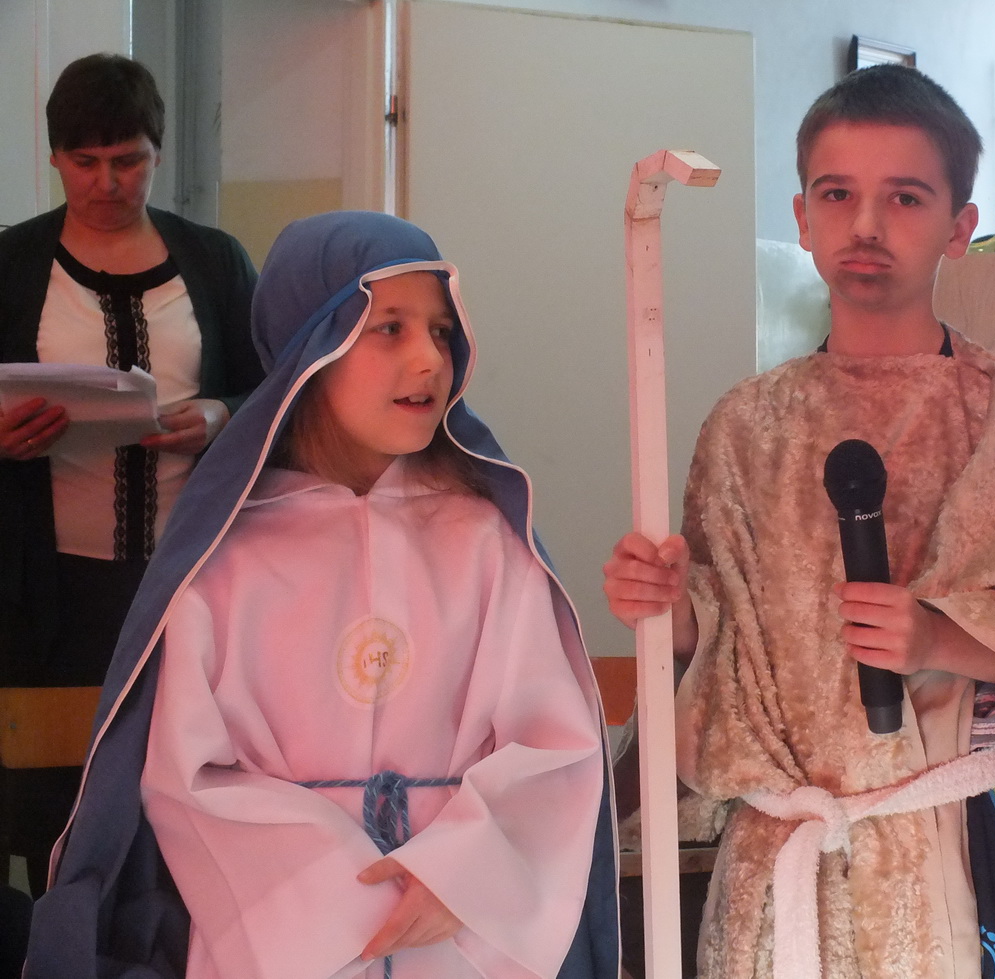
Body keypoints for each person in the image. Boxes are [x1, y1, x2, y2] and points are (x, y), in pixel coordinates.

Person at [603, 65, 995, 978]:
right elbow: (729, 650)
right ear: (802, 218)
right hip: (786, 868)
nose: (866, 224)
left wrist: (940, 637)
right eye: (838, 195)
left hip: (959, 844)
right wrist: (668, 607)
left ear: (958, 227)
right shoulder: (747, 424)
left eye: (904, 197)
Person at [25, 211, 619, 978]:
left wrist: (464, 869)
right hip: (281, 946)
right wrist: (341, 900)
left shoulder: (487, 542)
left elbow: (554, 741)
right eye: (390, 328)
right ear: (312, 348)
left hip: (464, 939)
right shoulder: (228, 558)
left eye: (441, 331)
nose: (428, 358)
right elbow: (189, 778)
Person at [0, 52, 262, 901]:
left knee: (181, 795)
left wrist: (220, 415)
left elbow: (279, 392)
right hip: (43, 593)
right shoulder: (11, 263)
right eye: (85, 162)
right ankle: (54, 941)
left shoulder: (214, 260)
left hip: (190, 584)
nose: (107, 183)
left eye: (128, 160)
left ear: (158, 152)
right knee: (51, 804)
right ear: (53, 156)